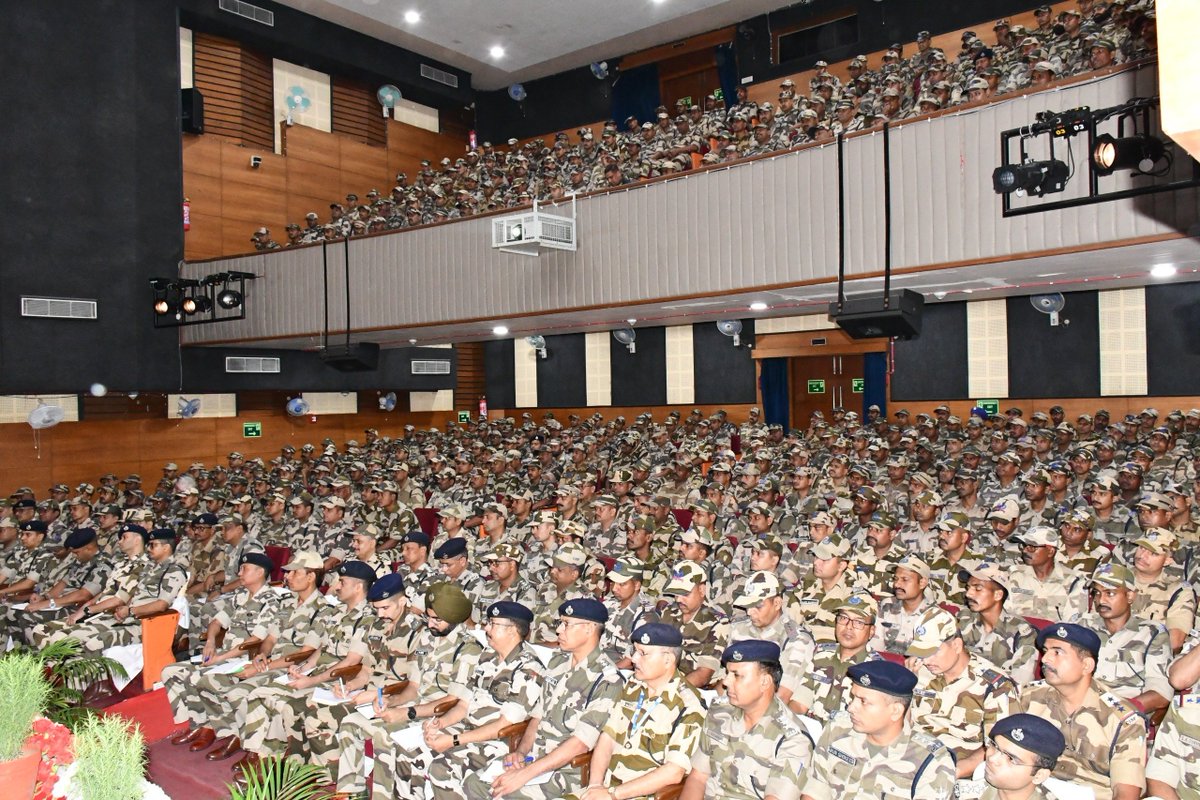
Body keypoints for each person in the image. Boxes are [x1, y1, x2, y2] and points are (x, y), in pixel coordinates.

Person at [463, 598, 622, 800]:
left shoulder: (607, 679)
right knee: (475, 783)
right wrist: (521, 753)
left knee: (506, 794)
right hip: (535, 757)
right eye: (559, 623)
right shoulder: (558, 661)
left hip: (567, 769)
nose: (558, 631)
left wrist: (525, 774)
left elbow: (580, 744)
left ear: (590, 629)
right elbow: (537, 717)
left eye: (566, 624)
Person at [425, 601, 545, 799]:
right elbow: (463, 705)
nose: (485, 627)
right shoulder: (487, 656)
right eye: (488, 622)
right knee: (412, 749)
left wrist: (453, 740)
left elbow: (504, 725)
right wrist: (440, 724)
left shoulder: (528, 669)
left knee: (442, 768)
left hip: (498, 741)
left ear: (512, 630)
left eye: (492, 624)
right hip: (468, 729)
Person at [1013, 622, 1146, 799]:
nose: (1045, 659)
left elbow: (1126, 791)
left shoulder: (1123, 719)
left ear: (1086, 666)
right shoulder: (1027, 696)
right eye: (1046, 651)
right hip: (1035, 789)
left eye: (1057, 652)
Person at [577, 622, 706, 800]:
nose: (634, 659)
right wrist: (595, 786)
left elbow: (674, 772)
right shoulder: (633, 687)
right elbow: (607, 738)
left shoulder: (689, 705)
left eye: (643, 653)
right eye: (635, 651)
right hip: (606, 789)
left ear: (668, 659)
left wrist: (612, 794)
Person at [799, 660, 956, 800]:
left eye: (863, 701)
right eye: (853, 697)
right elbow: (816, 790)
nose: (851, 707)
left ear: (895, 711)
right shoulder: (837, 730)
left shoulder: (932, 761)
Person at [680, 639, 812, 800]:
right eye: (727, 673)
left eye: (737, 675)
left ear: (765, 682)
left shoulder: (792, 739)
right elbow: (698, 778)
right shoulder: (720, 712)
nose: (726, 682)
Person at [905, 607, 1017, 779]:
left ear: (956, 645)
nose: (926, 660)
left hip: (959, 768)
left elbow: (998, 747)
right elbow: (900, 726)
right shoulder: (918, 672)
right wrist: (906, 686)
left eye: (933, 652)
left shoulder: (995, 686)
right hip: (910, 759)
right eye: (922, 652)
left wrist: (954, 771)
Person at [980, 713, 1068, 800]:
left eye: (1011, 758)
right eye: (994, 746)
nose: (992, 759)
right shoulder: (971, 792)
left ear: (1038, 776)